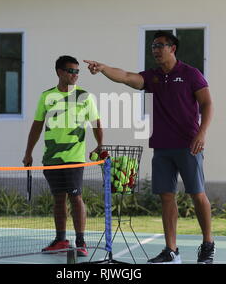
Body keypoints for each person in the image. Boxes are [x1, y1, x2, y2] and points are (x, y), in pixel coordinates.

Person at [84, 30, 215, 264]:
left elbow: (207, 104)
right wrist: (103, 68)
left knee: (197, 194)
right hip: (162, 147)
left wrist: (202, 133)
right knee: (166, 197)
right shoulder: (152, 77)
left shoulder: (190, 74)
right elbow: (125, 76)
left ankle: (208, 245)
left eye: (160, 45)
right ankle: (171, 250)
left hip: (189, 145)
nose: (155, 50)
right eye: (153, 46)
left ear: (172, 48)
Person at [23, 55, 103, 257]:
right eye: (71, 71)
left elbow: (96, 123)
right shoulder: (46, 97)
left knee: (76, 198)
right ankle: (61, 240)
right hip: (51, 158)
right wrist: (28, 153)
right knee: (58, 199)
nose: (75, 75)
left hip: (75, 157)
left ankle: (81, 241)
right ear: (59, 72)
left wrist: (100, 145)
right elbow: (37, 126)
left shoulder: (85, 97)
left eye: (77, 72)